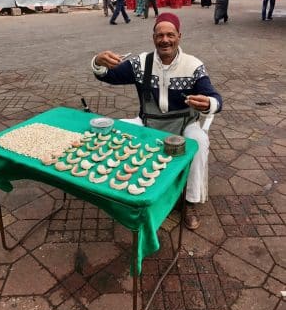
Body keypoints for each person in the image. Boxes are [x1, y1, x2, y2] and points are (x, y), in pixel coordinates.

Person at [91, 13, 222, 230]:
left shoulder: (194, 65)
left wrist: (207, 103)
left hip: (183, 125)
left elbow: (216, 98)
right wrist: (98, 62)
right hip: (148, 123)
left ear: (179, 36)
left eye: (170, 34)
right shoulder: (141, 63)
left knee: (198, 143)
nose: (165, 40)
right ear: (153, 38)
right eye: (160, 35)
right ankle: (128, 190)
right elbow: (108, 76)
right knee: (112, 132)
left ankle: (189, 202)